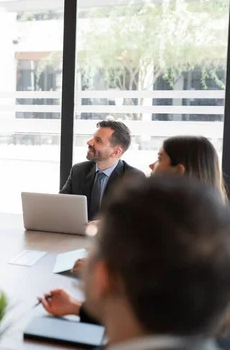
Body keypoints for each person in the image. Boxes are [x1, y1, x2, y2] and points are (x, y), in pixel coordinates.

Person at [41, 136, 230, 340]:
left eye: (159, 158)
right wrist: (78, 307)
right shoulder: (211, 230)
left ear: (179, 170)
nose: (151, 164)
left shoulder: (176, 233)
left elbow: (154, 318)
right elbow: (163, 316)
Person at [60, 120, 144, 221]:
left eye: (98, 140)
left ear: (116, 152)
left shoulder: (134, 178)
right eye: (93, 138)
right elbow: (61, 204)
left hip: (111, 235)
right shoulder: (78, 170)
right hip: (78, 232)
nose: (89, 142)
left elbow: (136, 219)